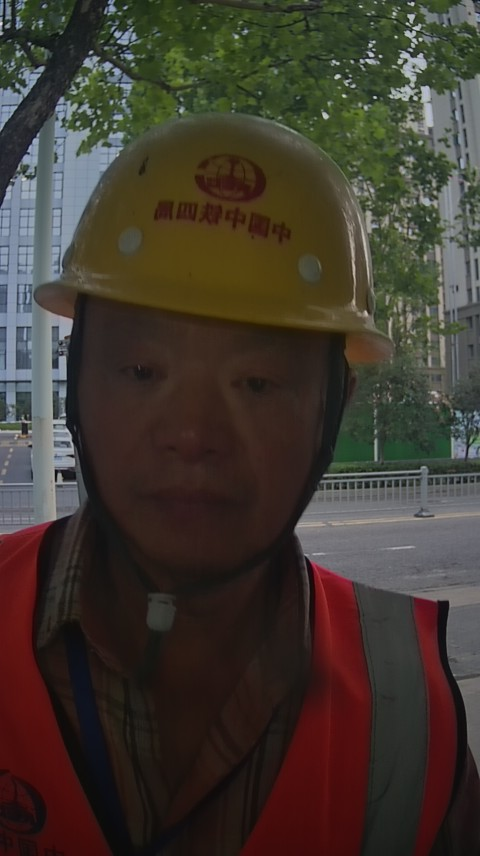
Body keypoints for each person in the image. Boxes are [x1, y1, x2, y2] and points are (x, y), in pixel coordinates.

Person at [1, 113, 478, 856]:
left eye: (256, 383)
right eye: (142, 371)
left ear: (333, 407)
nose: (193, 433)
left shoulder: (408, 707)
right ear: (77, 377)